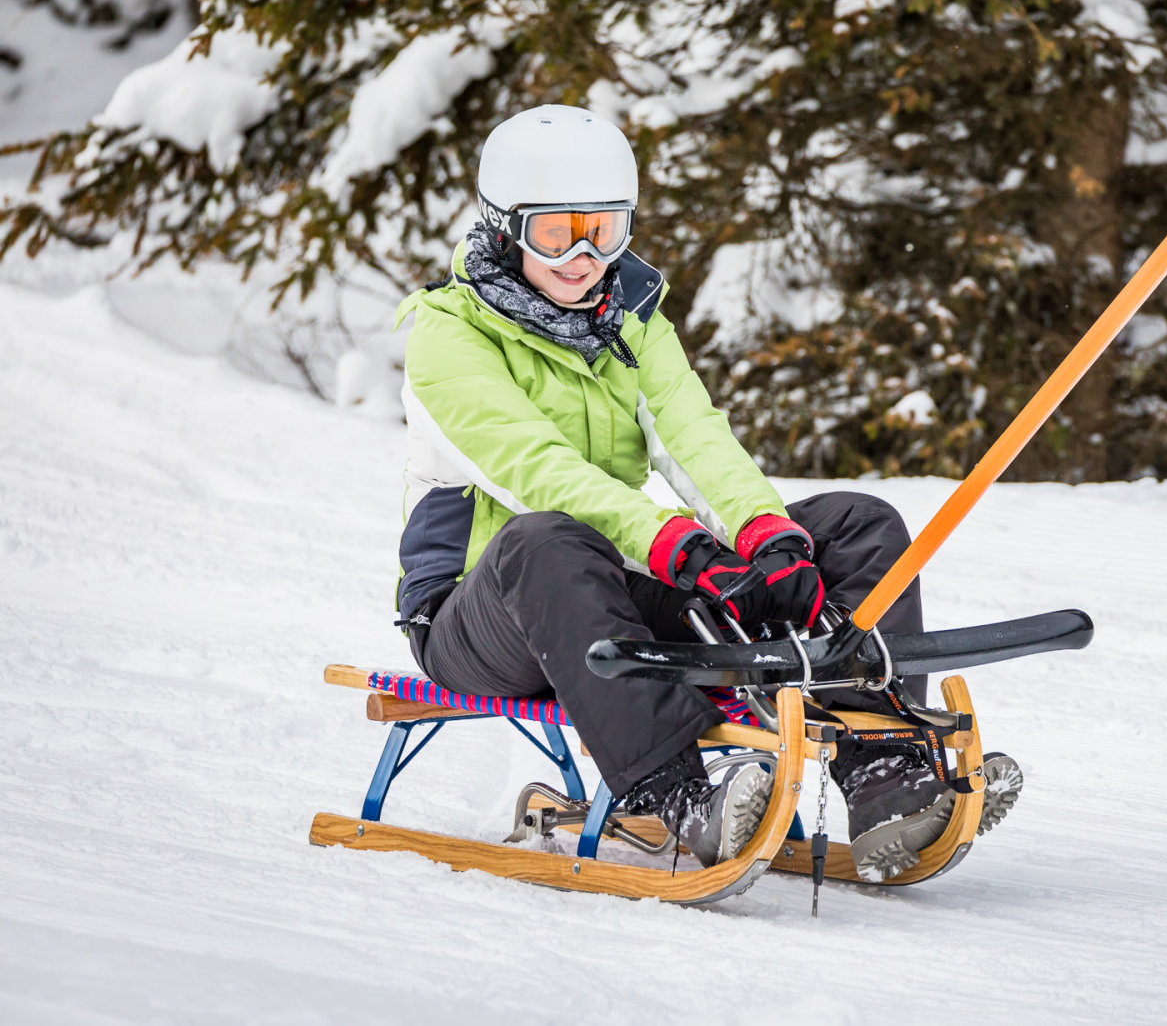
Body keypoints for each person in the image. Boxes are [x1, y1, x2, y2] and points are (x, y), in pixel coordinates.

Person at [392, 104, 1017, 880]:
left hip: (607, 587)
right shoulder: (448, 334)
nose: (584, 257)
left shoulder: (628, 319)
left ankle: (883, 768)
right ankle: (678, 795)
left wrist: (766, 536)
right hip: (481, 613)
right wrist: (673, 545)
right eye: (557, 233)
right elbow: (534, 467)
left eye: (606, 229)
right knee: (545, 538)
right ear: (502, 226)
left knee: (858, 523)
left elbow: (696, 438)